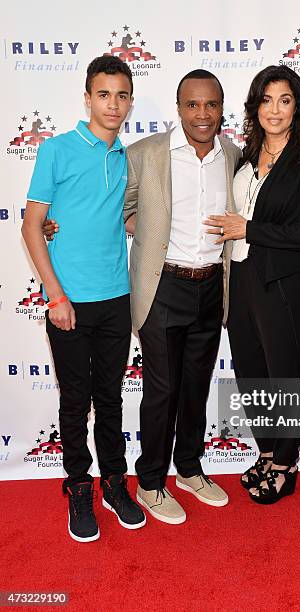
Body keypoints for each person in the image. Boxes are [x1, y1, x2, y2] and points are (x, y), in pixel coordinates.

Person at [22, 56, 146, 542]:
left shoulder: (126, 158)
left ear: (130, 101)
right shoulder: (57, 150)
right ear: (88, 97)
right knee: (75, 402)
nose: (112, 104)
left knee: (110, 399)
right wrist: (55, 295)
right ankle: (78, 487)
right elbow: (33, 226)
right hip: (69, 300)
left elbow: (122, 218)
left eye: (121, 95)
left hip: (118, 298)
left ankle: (115, 483)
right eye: (104, 94)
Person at [204, 65, 300, 504]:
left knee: (283, 375)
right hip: (239, 278)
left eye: (284, 100)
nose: (274, 110)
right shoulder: (246, 153)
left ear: (296, 106)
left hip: (283, 282)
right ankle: (265, 450)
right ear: (254, 106)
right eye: (266, 100)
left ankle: (285, 461)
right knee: (251, 374)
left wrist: (251, 229)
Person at [124, 70, 241, 524]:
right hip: (162, 287)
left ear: (221, 108)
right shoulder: (147, 154)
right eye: (192, 105)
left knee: (195, 386)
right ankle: (150, 482)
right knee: (162, 389)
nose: (202, 114)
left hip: (212, 285)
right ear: (178, 108)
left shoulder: (231, 155)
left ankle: (190, 469)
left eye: (211, 105)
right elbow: (118, 209)